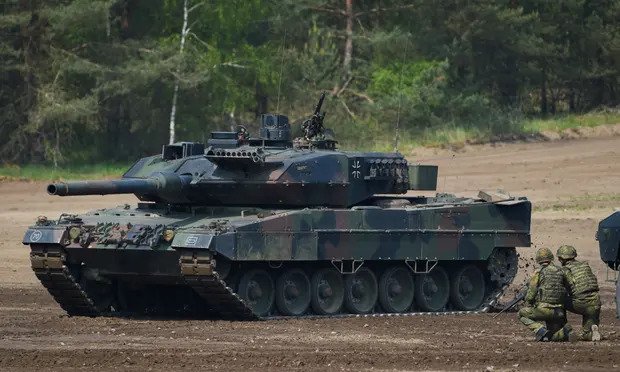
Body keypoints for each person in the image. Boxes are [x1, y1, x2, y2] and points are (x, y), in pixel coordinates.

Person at [518, 247, 571, 341]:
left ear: (538, 260)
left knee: (521, 314)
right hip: (559, 312)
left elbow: (531, 294)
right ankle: (565, 331)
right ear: (551, 258)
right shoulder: (561, 271)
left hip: (543, 310)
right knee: (553, 337)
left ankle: (540, 330)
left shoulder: (538, 273)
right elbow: (568, 288)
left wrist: (528, 302)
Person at [557, 245, 602, 341]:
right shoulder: (585, 265)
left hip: (580, 303)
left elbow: (558, 290)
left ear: (561, 259)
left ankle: (565, 330)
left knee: (558, 301)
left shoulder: (564, 270)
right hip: (595, 304)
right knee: (586, 335)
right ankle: (592, 332)